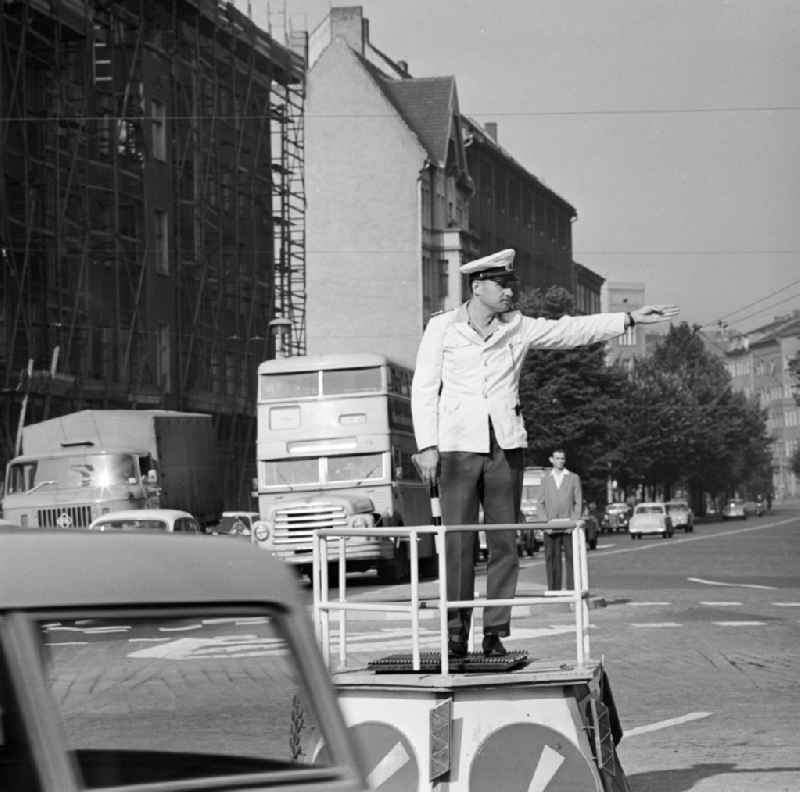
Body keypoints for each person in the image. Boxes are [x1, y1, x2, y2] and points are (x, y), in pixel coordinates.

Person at [411, 248, 678, 658]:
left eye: (511, 285)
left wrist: (627, 319)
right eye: (502, 285)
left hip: (505, 447)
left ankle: (494, 632)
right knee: (458, 543)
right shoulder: (443, 328)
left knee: (504, 542)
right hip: (456, 447)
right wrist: (426, 446)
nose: (509, 293)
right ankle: (455, 632)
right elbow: (424, 387)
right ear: (477, 285)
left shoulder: (518, 327)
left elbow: (569, 331)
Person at [540, 449, 582, 591]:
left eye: (562, 458)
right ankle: (554, 590)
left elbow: (578, 502)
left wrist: (574, 522)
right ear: (551, 460)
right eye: (557, 458)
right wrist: (545, 523)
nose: (560, 461)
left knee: (572, 559)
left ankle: (572, 590)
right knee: (552, 559)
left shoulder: (573, 477)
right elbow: (540, 503)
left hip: (568, 525)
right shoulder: (545, 479)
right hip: (551, 526)